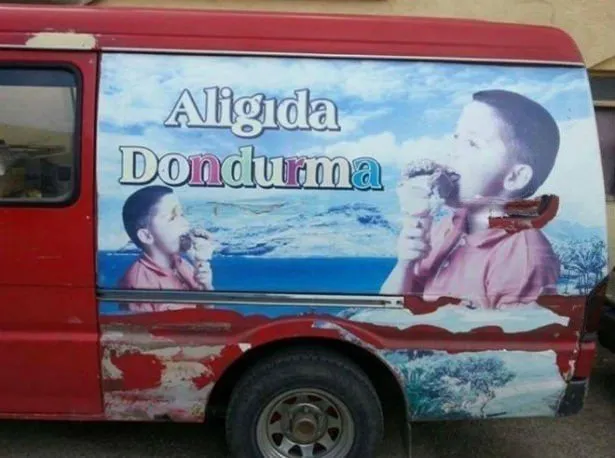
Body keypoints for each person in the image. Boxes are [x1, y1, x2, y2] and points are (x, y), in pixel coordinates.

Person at [380, 89, 561, 309]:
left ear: (514, 177)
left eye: (472, 143)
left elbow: (516, 330)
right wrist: (405, 265)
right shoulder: (444, 229)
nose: (452, 152)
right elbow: (388, 312)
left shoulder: (523, 255)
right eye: (456, 138)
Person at [118, 185, 215, 312]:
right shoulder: (138, 282)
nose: (186, 223)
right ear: (146, 236)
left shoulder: (182, 264)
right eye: (172, 218)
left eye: (182, 214)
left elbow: (206, 314)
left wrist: (206, 286)